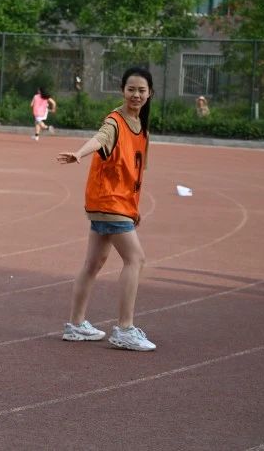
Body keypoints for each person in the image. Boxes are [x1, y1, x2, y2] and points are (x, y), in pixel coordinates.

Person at [56, 66, 156, 352]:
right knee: (135, 259)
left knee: (94, 263)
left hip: (115, 203)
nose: (136, 94)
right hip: (109, 202)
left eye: (141, 90)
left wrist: (134, 208)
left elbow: (134, 175)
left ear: (150, 93)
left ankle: (76, 324)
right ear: (122, 91)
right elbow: (100, 138)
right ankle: (125, 328)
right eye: (131, 89)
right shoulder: (115, 121)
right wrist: (79, 153)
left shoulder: (141, 128)